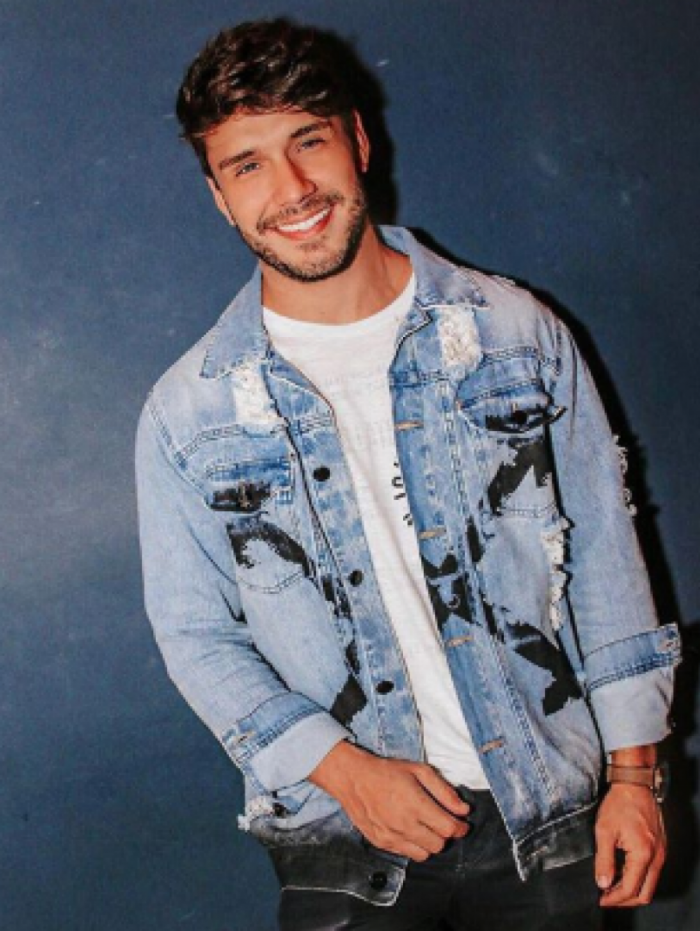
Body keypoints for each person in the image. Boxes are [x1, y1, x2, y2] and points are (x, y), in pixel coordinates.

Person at [135, 18, 681, 930]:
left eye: (309, 141)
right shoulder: (188, 410)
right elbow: (195, 635)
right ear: (220, 197)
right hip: (347, 839)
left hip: (548, 816)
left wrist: (635, 774)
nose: (292, 189)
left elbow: (605, 557)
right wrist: (344, 769)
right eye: (248, 164)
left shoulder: (516, 334)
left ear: (358, 139)